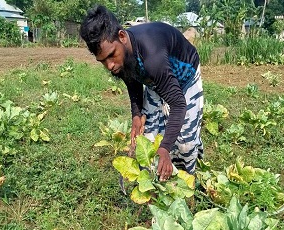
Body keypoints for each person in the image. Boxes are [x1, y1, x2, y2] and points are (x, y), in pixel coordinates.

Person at [80, 5, 204, 181]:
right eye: (102, 61)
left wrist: (165, 148)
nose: (110, 66)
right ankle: (158, 182)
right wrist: (136, 115)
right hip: (154, 80)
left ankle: (190, 182)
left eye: (111, 55)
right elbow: (132, 80)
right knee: (148, 139)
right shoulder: (119, 55)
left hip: (185, 78)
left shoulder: (153, 58)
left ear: (122, 36)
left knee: (185, 143)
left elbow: (178, 104)